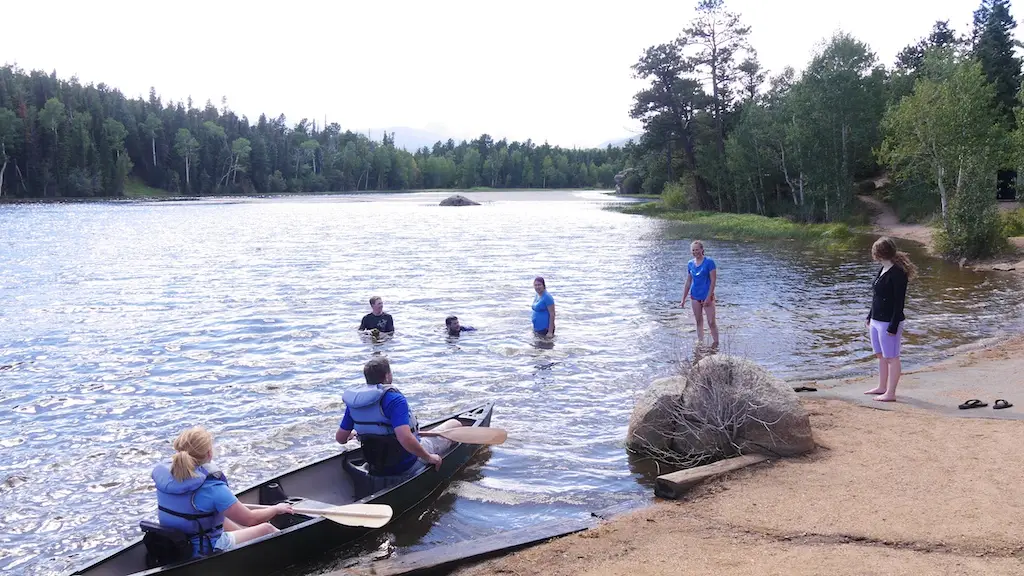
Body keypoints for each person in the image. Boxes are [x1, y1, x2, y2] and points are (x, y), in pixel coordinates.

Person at [151, 427, 293, 558]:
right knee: (266, 529)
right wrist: (276, 508)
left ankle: (246, 545)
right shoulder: (213, 488)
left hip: (177, 544)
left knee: (223, 518)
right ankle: (292, 556)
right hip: (203, 548)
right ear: (209, 453)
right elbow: (251, 520)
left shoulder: (167, 480)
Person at [335, 357, 463, 490]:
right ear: (387, 376)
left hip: (376, 466)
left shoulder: (354, 404)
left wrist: (359, 431)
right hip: (407, 464)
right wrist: (429, 457)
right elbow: (405, 438)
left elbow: (340, 439)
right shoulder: (394, 399)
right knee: (455, 424)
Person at [864, 236, 917, 402]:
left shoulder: (897, 273)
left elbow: (899, 301)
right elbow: (877, 297)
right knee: (880, 355)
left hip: (889, 322)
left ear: (878, 253)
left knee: (892, 358)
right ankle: (882, 387)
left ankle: (891, 393)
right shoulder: (883, 269)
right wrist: (870, 316)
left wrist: (893, 326)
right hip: (876, 320)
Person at [680, 240, 718, 348]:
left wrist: (709, 297)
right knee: (698, 320)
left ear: (702, 250)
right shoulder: (690, 264)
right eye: (693, 250)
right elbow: (688, 282)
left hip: (707, 296)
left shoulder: (709, 262)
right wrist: (683, 299)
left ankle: (716, 343)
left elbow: (713, 281)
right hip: (694, 296)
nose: (695, 252)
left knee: (711, 322)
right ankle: (700, 343)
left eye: (697, 249)